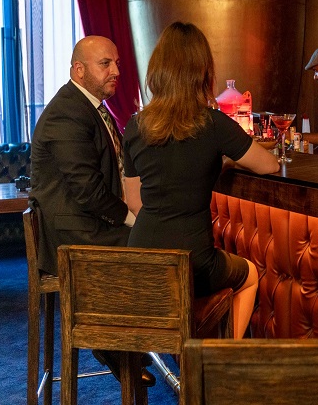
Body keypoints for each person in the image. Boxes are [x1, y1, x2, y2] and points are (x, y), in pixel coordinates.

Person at [123, 22, 279, 339]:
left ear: (157, 70)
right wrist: (224, 161)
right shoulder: (213, 123)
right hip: (194, 261)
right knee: (250, 275)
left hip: (142, 257)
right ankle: (221, 358)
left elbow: (134, 202)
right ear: (202, 72)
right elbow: (269, 165)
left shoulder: (136, 126)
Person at [30, 35, 156, 387]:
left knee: (153, 234)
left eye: (117, 63)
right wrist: (132, 218)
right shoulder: (67, 113)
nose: (116, 71)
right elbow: (88, 190)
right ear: (79, 70)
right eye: (105, 64)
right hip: (71, 234)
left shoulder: (89, 108)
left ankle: (127, 337)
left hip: (85, 220)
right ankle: (113, 340)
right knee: (152, 244)